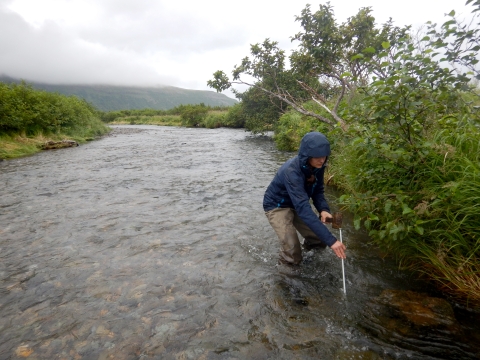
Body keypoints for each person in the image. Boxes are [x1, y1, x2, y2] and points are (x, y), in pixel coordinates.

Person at [263, 131, 346, 266]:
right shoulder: (292, 172)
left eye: (324, 155)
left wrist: (323, 209)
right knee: (293, 250)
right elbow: (303, 209)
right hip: (277, 205)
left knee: (319, 240)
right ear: (307, 155)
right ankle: (287, 278)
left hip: (297, 202)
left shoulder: (318, 166)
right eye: (317, 156)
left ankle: (308, 257)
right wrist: (332, 241)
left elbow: (317, 191)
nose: (322, 160)